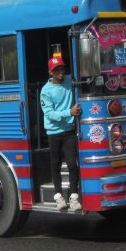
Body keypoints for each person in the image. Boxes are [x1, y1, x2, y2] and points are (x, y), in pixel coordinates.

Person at [40, 57, 82, 211]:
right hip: (53, 132)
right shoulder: (45, 91)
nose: (60, 72)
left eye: (62, 69)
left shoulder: (69, 80)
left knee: (72, 164)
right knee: (55, 165)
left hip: (69, 131)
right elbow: (50, 113)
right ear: (50, 72)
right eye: (57, 70)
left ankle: (74, 197)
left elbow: (83, 74)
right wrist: (69, 112)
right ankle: (58, 196)